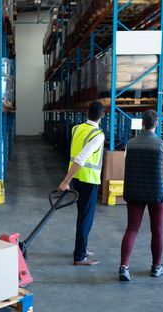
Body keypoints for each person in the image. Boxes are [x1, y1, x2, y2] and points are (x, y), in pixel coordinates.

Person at [119, 110, 163, 282]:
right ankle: (156, 267)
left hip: (135, 191)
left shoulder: (130, 144)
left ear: (142, 123)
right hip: (157, 192)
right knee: (157, 231)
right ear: (156, 124)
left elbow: (129, 167)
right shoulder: (162, 145)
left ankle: (124, 267)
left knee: (131, 229)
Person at [58, 101, 106, 266]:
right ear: (103, 115)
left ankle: (82, 248)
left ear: (87, 112)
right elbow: (81, 157)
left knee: (83, 216)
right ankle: (80, 256)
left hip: (78, 178)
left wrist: (70, 178)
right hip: (88, 180)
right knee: (86, 218)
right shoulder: (97, 135)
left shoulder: (76, 129)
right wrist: (66, 180)